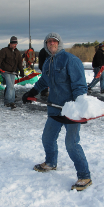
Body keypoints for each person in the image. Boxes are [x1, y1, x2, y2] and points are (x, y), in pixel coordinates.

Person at [22, 32, 92, 191]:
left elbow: (80, 86)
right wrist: (31, 92)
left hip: (71, 110)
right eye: (48, 41)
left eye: (54, 41)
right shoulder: (47, 62)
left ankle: (84, 176)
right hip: (54, 108)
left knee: (71, 144)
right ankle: (51, 162)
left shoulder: (71, 60)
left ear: (59, 43)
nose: (51, 43)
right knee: (47, 138)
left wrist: (80, 108)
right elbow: (43, 81)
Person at [0, 36, 24, 109]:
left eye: (16, 43)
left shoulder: (17, 52)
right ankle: (8, 102)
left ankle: (11, 101)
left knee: (11, 86)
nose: (15, 45)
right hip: (5, 71)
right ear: (10, 43)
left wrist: (21, 70)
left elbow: (19, 63)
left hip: (12, 72)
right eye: (14, 43)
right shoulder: (4, 50)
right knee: (10, 86)